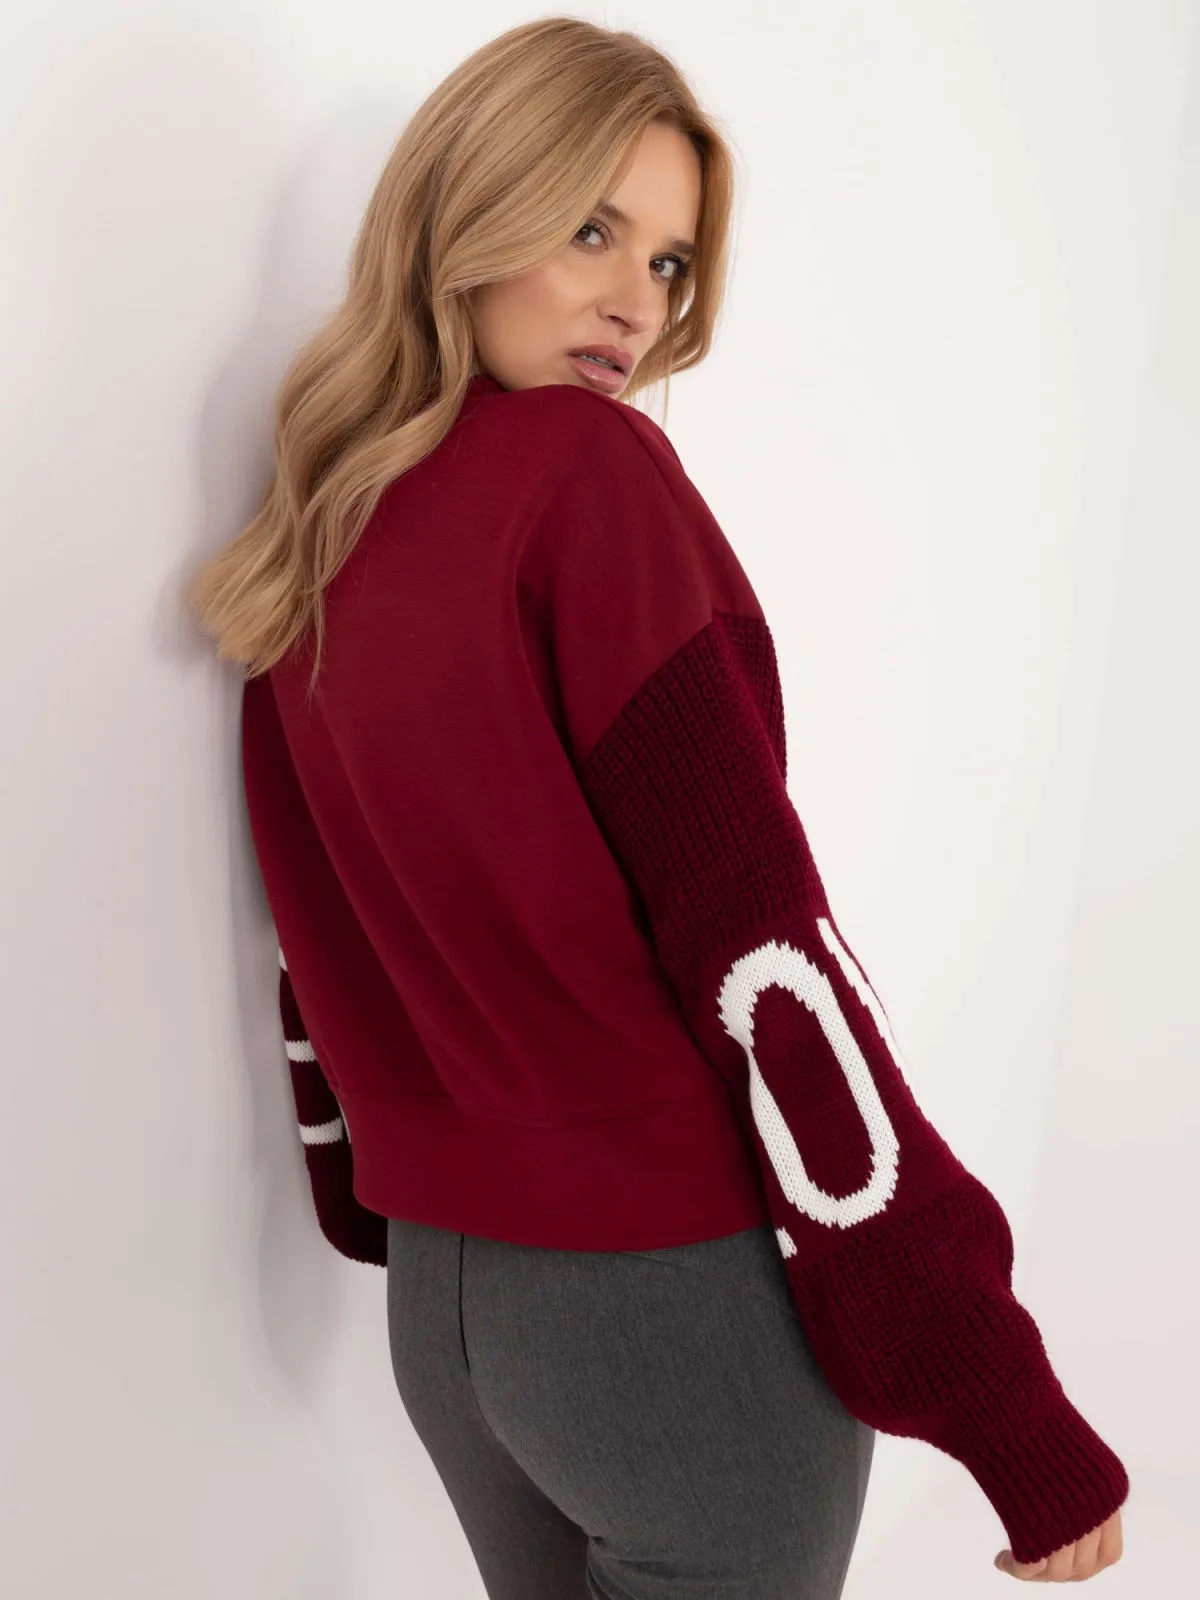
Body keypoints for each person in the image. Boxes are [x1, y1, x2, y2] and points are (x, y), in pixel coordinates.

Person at [186, 15, 1129, 1596]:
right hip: (663, 1302)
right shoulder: (590, 479)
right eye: (592, 230)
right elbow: (766, 960)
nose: (639, 300)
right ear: (467, 209)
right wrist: (994, 1388)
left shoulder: (322, 523)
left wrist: (370, 1178)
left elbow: (317, 936)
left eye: (672, 262)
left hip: (448, 1315)